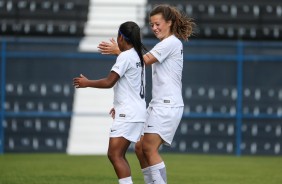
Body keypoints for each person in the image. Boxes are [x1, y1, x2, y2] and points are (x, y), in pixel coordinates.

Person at [98, 4, 195, 184]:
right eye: (152, 25)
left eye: (158, 24)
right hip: (158, 104)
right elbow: (138, 68)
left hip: (168, 104)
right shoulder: (165, 44)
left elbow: (143, 61)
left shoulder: (171, 42)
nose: (155, 28)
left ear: (170, 23)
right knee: (140, 147)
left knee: (149, 148)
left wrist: (119, 51)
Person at [73, 21, 147, 184]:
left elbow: (109, 82)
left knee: (115, 154)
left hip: (128, 113)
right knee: (118, 154)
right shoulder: (137, 56)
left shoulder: (125, 57)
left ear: (121, 37)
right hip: (137, 111)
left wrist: (87, 83)